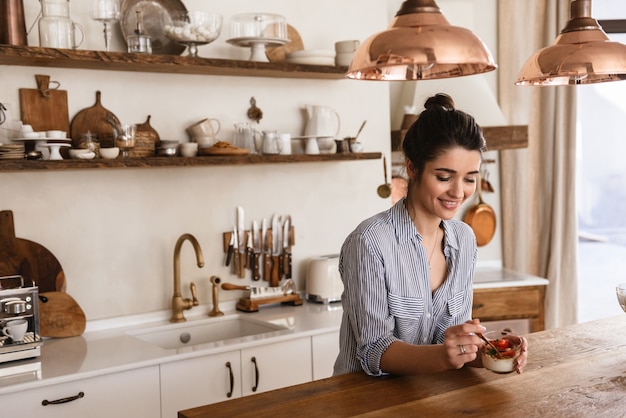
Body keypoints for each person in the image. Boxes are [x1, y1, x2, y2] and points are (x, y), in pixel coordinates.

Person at [333, 93, 528, 376]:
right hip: (366, 403)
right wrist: (443, 356)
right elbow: (374, 350)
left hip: (429, 396)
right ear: (412, 167)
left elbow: (449, 345)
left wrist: (492, 351)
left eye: (470, 178)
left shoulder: (464, 239)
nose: (458, 192)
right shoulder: (370, 242)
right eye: (444, 177)